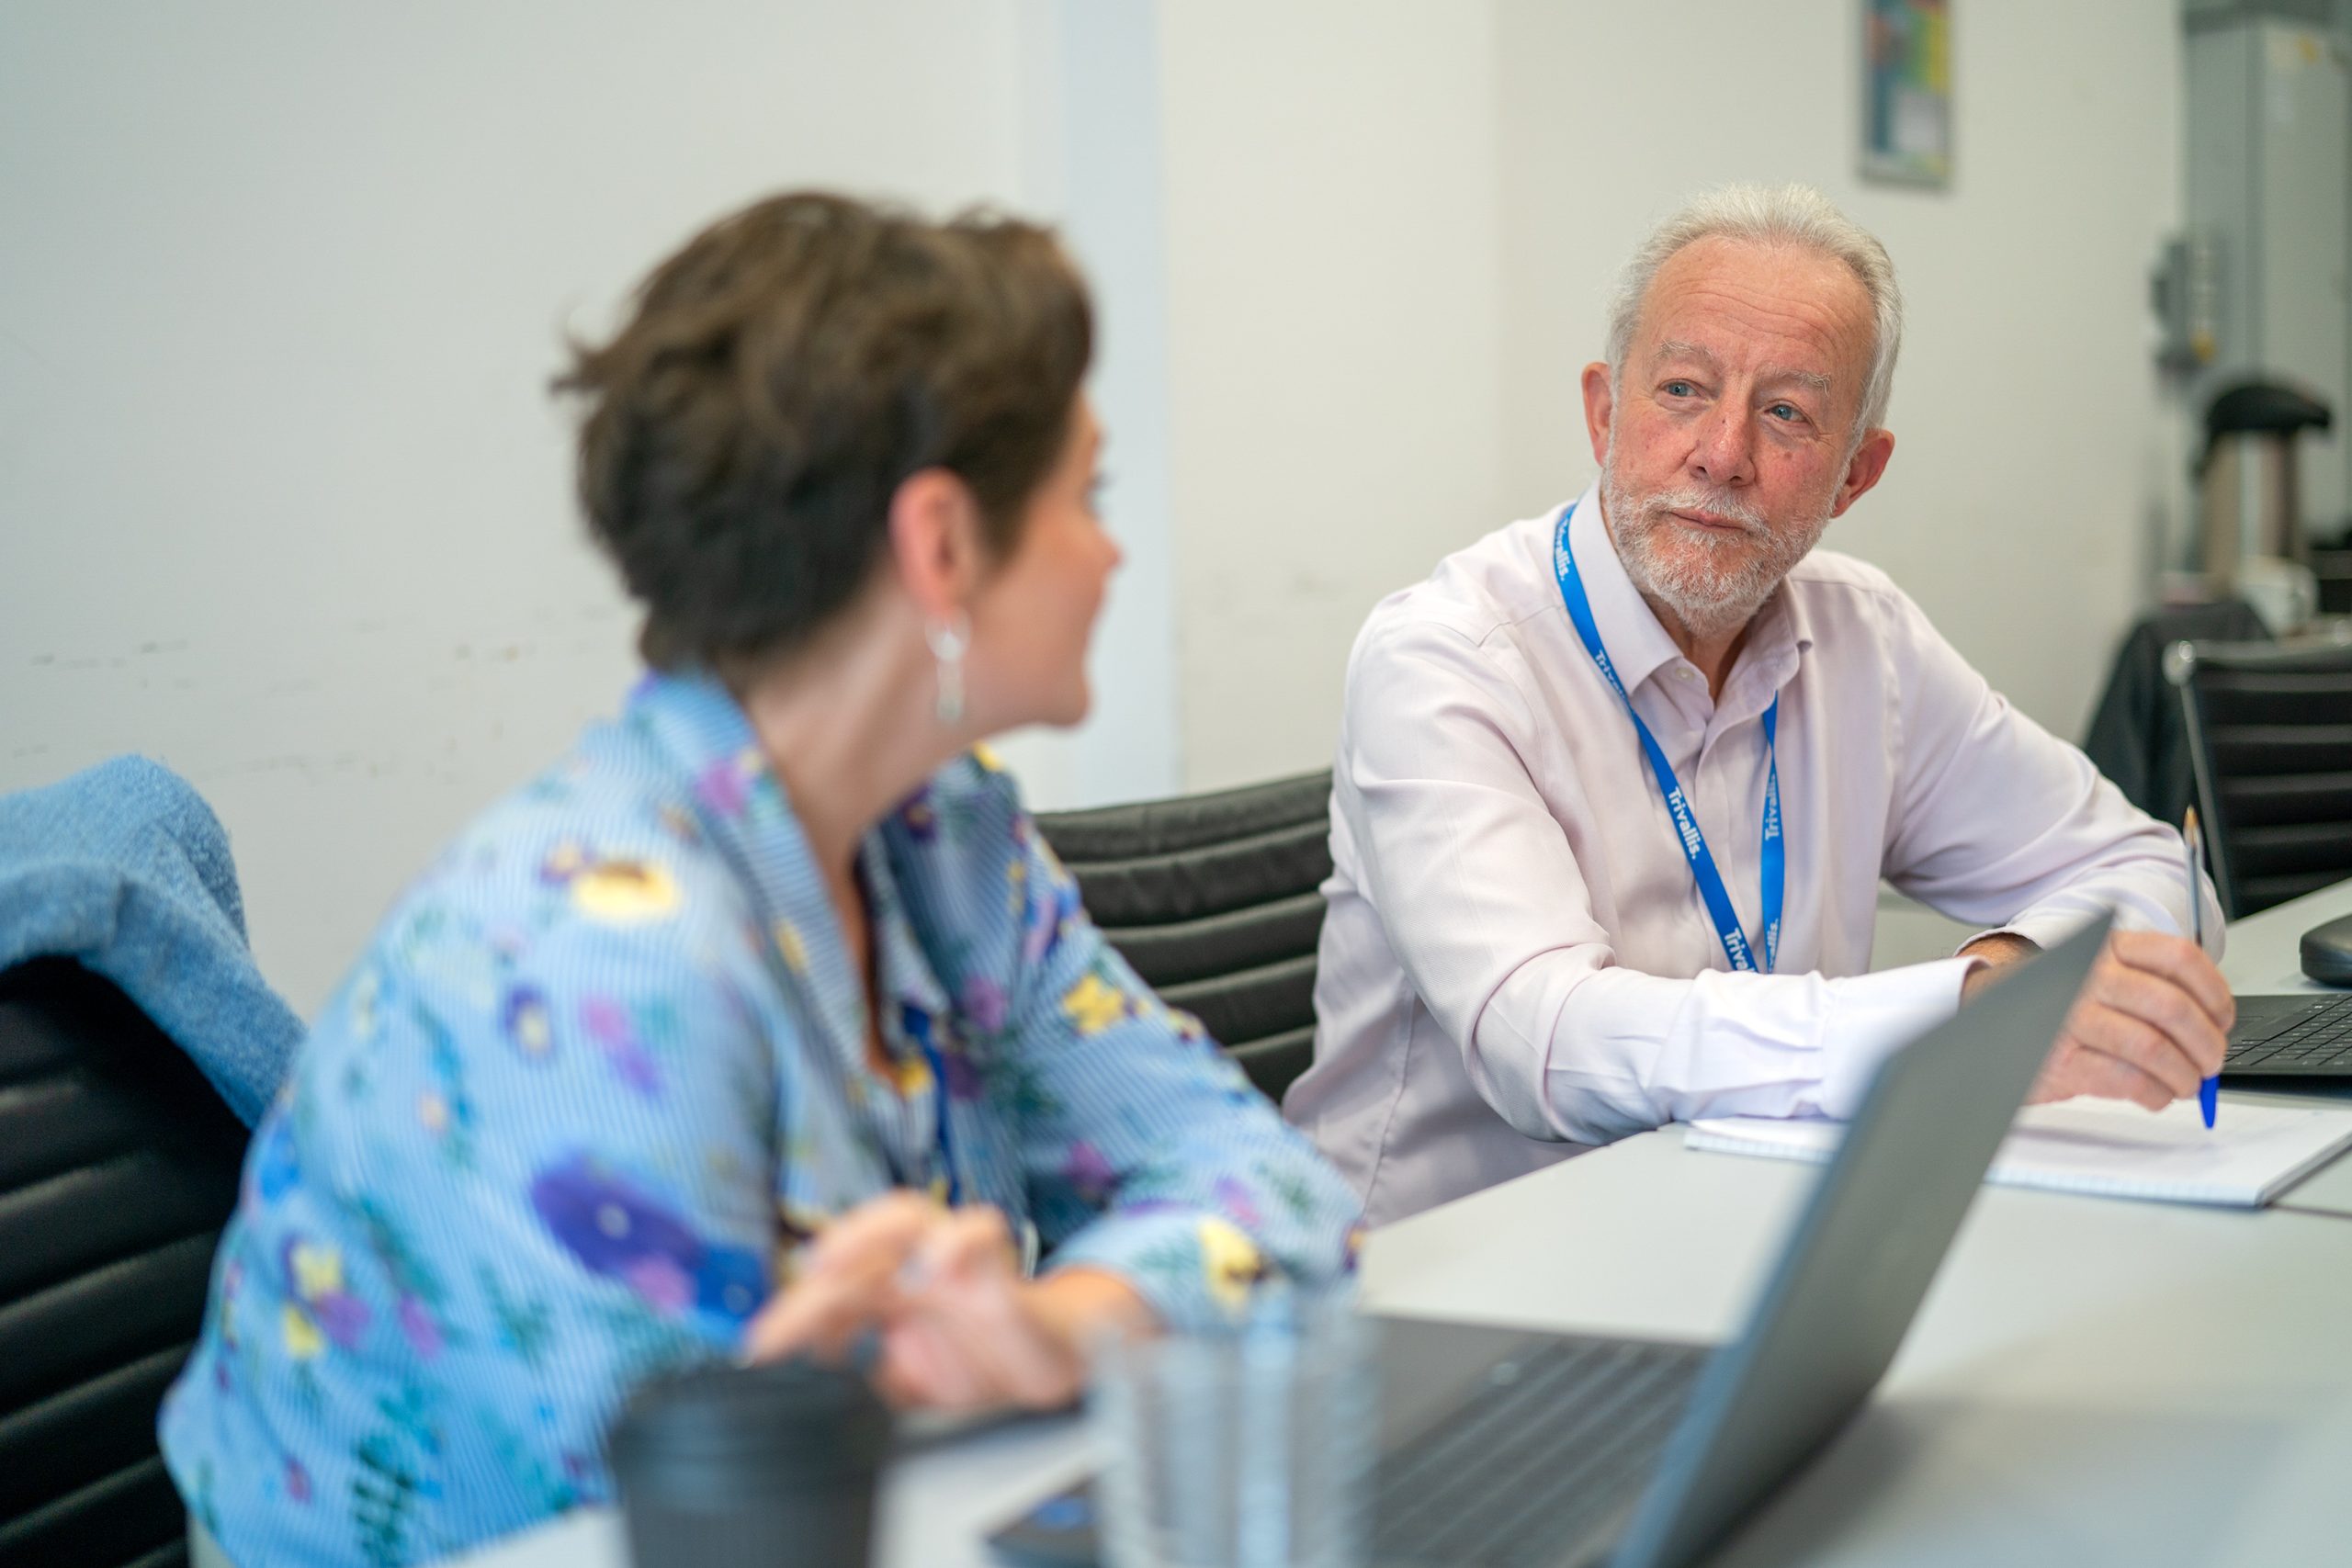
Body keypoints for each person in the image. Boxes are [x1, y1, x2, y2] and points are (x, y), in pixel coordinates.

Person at [161, 191, 1362, 1568]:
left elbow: (1277, 1193)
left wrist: (1055, 1324)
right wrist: (935, 1373)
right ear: (942, 546)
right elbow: (701, 1517)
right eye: (1085, 496)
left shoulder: (944, 836)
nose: (1112, 551)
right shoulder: (587, 956)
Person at [1284, 184, 2234, 1229]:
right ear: (1603, 414)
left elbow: (2151, 869)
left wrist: (2015, 973)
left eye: (1786, 412)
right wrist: (1959, 1015)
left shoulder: (1864, 638)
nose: (1723, 453)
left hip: (1753, 1229)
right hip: (1445, 1269)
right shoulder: (1447, 658)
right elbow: (1544, 1044)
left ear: (1855, 474)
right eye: (1682, 389)